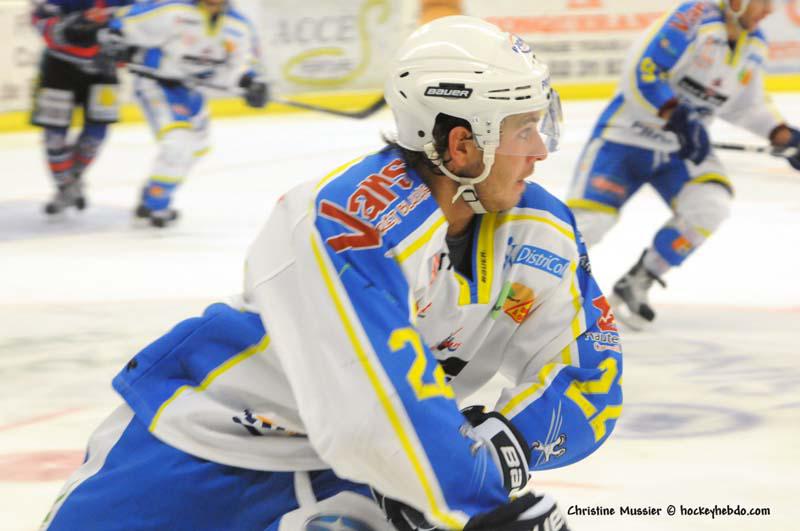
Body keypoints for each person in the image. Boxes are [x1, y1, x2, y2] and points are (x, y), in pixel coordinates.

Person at [42, 16, 622, 530]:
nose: (540, 150)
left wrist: (504, 446)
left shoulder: (542, 230)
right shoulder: (351, 219)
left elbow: (590, 376)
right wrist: (476, 503)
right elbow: (369, 411)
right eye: (522, 130)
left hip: (361, 476)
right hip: (192, 448)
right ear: (462, 145)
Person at [566, 0, 800, 328]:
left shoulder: (754, 43)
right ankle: (533, 290)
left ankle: (640, 278)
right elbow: (643, 72)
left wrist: (783, 135)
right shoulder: (693, 18)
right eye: (763, 1)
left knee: (710, 205)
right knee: (588, 224)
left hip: (681, 150)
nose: (769, 10)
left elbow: (746, 106)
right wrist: (675, 114)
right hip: (624, 140)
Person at [99, 0, 269, 227]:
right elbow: (124, 20)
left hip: (191, 90)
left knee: (197, 148)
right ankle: (154, 205)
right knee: (178, 143)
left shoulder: (239, 26)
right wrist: (114, 38)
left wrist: (251, 83)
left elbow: (242, 65)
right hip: (157, 84)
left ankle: (153, 195)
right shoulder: (174, 11)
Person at [30, 0, 135, 215]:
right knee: (54, 135)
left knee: (96, 134)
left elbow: (143, 21)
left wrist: (128, 46)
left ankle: (72, 179)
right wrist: (71, 28)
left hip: (104, 70)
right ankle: (64, 185)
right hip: (58, 67)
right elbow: (39, 18)